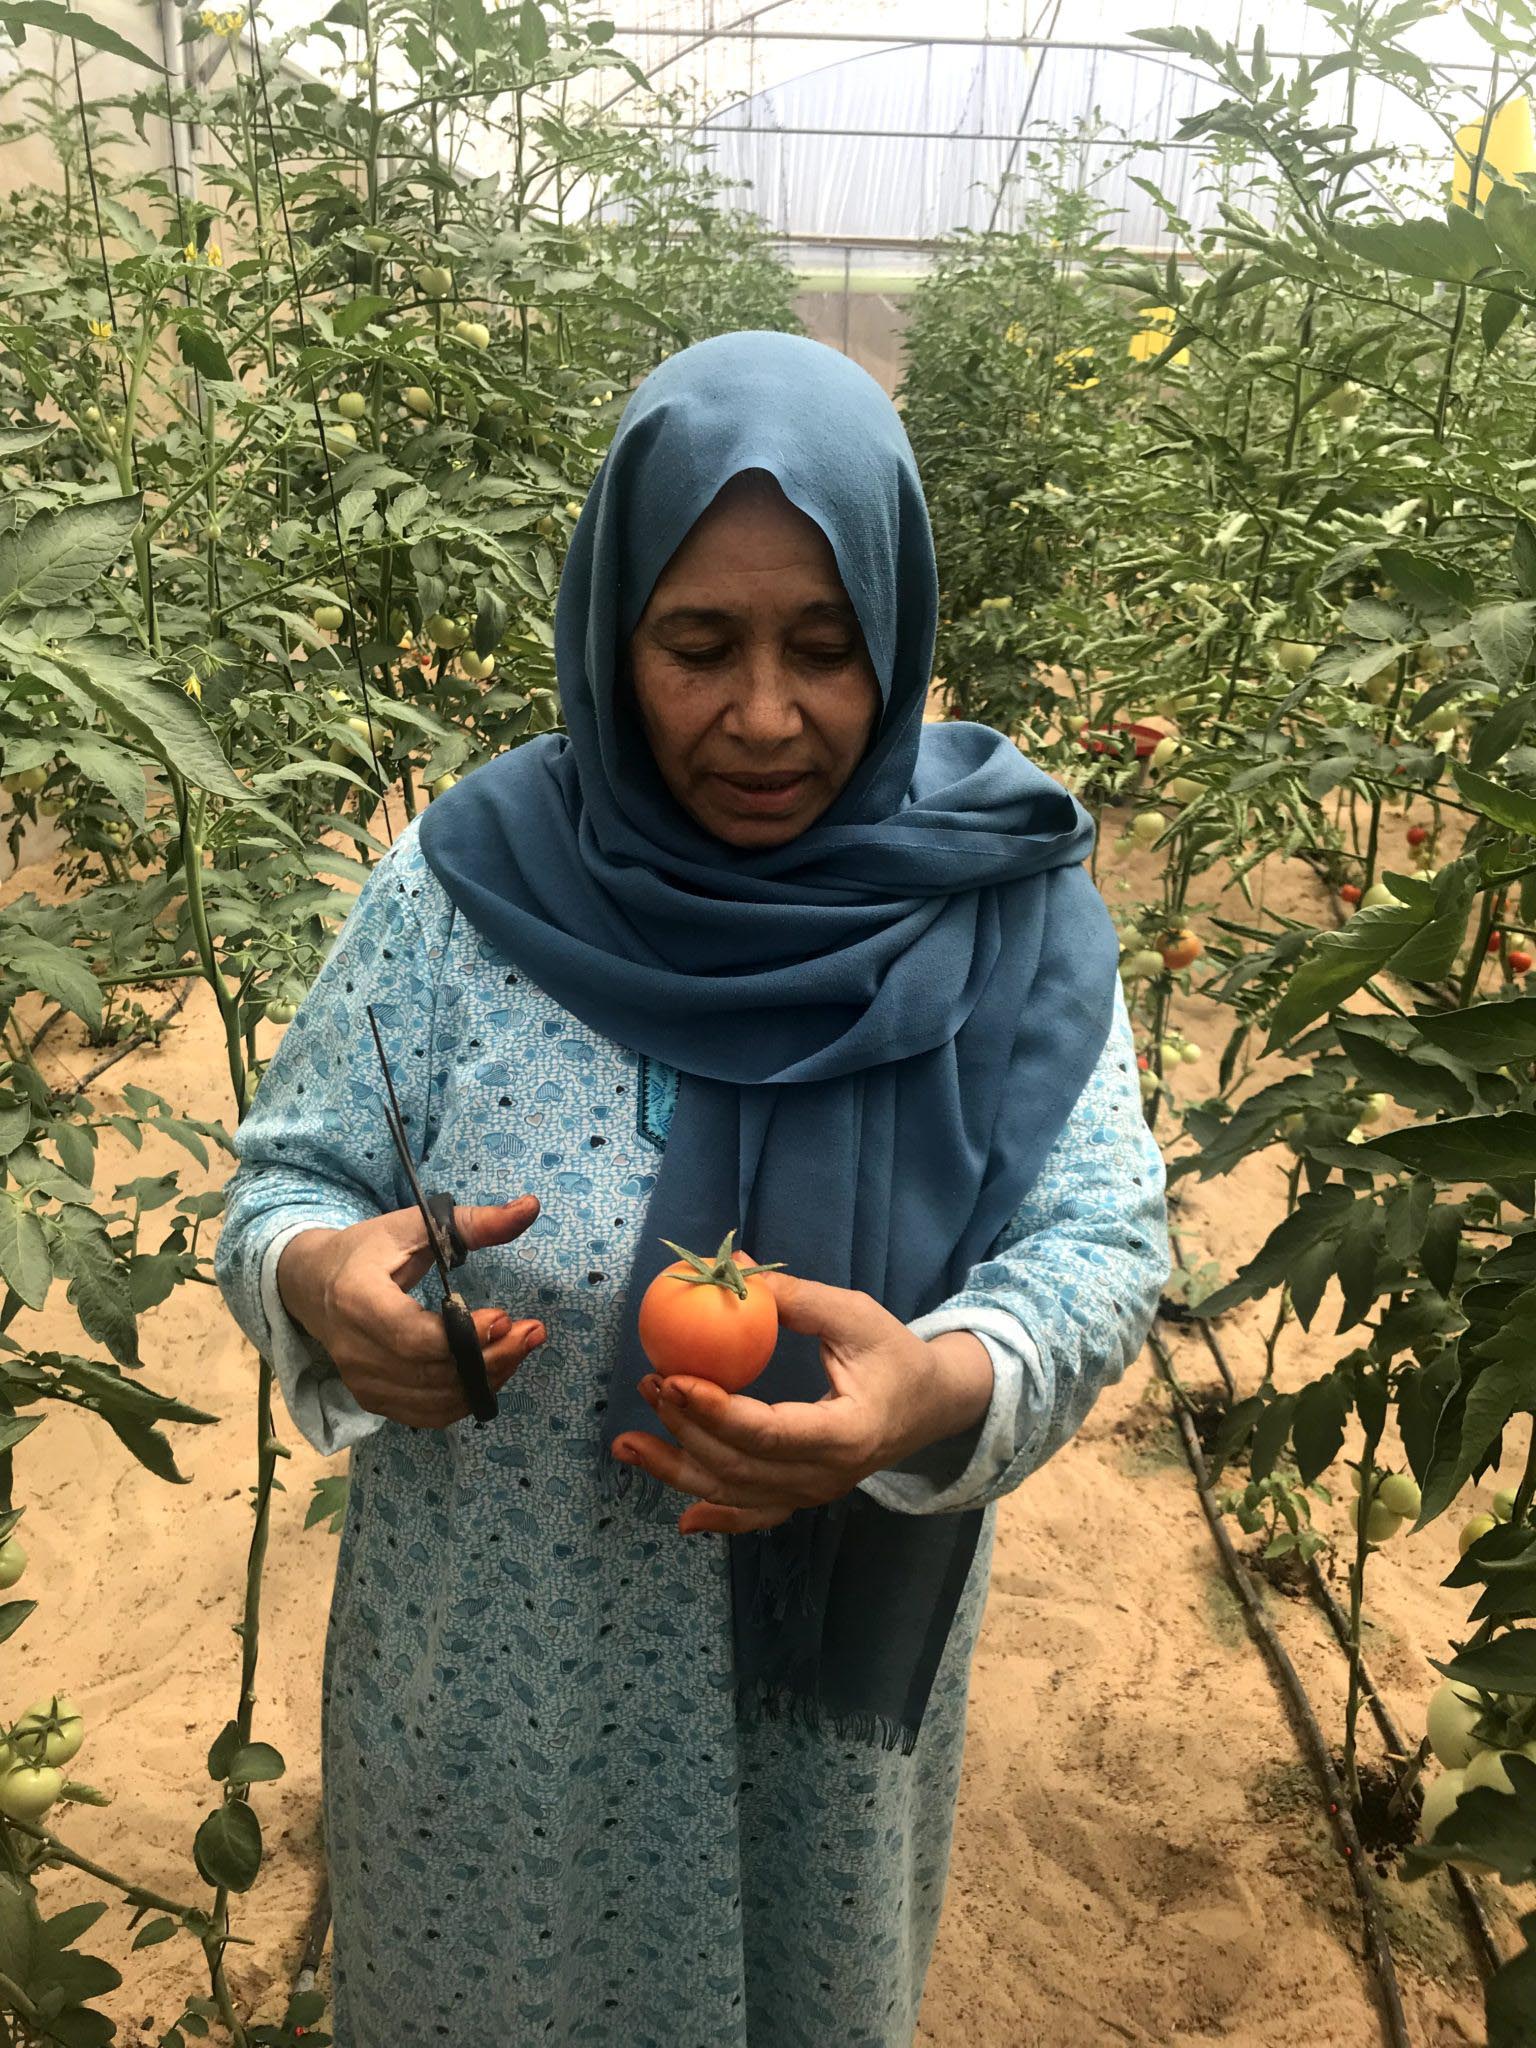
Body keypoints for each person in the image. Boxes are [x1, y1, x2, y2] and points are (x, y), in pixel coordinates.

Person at [215, 329, 1169, 2048]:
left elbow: (1099, 1243)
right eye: (696, 644)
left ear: (901, 630)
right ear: (607, 635)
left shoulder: (999, 913)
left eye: (827, 646)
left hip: (815, 1735)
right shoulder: (461, 890)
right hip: (499, 1697)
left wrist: (930, 1395)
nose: (764, 716)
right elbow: (290, 1177)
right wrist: (322, 1287)